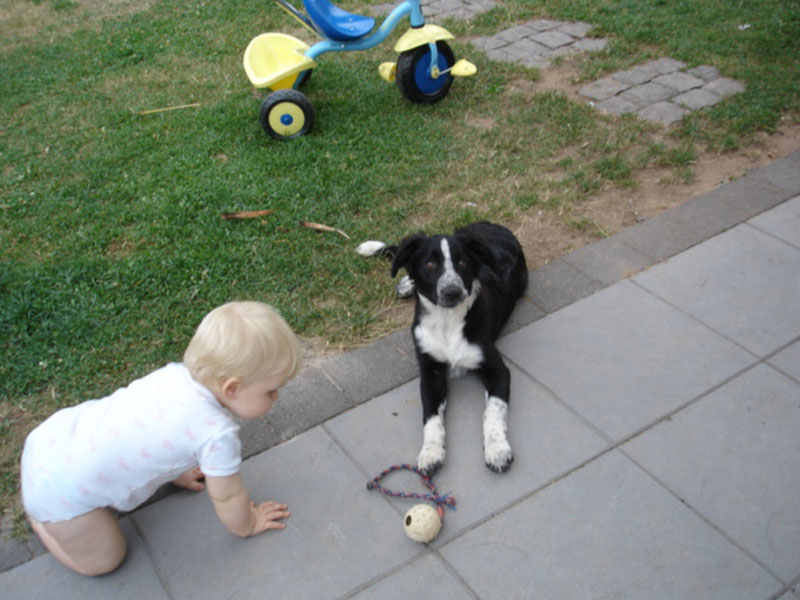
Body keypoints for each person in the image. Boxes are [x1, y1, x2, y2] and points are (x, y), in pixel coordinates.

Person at [20, 301, 301, 576]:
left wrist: (176, 472)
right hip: (59, 496)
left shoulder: (173, 375)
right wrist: (248, 524)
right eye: (271, 391)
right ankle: (43, 524)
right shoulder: (217, 435)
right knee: (105, 561)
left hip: (50, 440)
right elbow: (228, 496)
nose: (276, 397)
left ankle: (45, 508)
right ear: (232, 388)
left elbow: (153, 434)